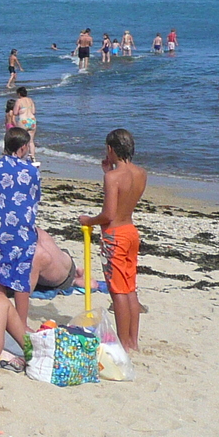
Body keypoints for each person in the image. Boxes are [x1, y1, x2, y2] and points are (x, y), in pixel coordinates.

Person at [0, 126, 41, 360]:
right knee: (21, 277)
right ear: (23, 147)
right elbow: (34, 198)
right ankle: (20, 324)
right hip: (19, 229)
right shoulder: (32, 171)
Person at [80, 128, 148, 352]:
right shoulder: (141, 173)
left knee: (117, 291)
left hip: (115, 235)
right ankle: (133, 341)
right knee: (130, 288)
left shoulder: (112, 177)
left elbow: (109, 214)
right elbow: (125, 202)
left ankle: (124, 343)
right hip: (130, 231)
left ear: (110, 149)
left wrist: (88, 220)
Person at [12, 86, 38, 165]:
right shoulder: (30, 100)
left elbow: (15, 113)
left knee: (21, 140)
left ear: (19, 94)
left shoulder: (19, 101)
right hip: (32, 120)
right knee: (31, 141)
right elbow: (33, 111)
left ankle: (19, 156)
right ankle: (32, 157)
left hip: (23, 121)